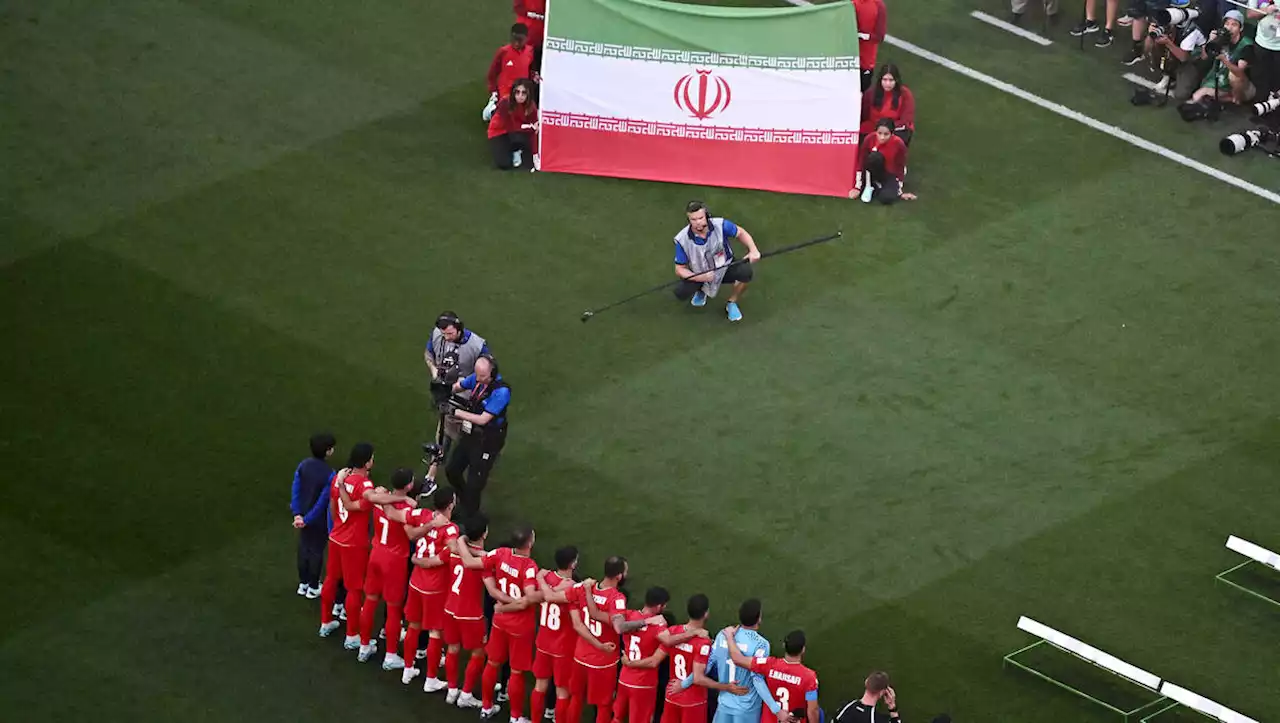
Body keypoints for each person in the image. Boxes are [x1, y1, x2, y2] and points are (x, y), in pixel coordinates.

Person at [318, 444, 412, 647]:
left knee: (331, 578)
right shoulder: (365, 485)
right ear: (367, 461)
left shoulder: (339, 478)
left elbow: (333, 506)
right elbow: (370, 499)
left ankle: (325, 621)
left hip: (336, 537)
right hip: (354, 543)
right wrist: (402, 497)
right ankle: (352, 635)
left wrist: (338, 527)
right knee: (354, 589)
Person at [468, 525, 542, 721]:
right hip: (520, 625)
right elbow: (527, 599)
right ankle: (515, 717)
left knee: (492, 663)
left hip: (500, 622)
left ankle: (486, 706)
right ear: (529, 542)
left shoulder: (500, 553)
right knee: (516, 672)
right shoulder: (529, 567)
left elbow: (475, 563)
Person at [357, 467, 423, 668]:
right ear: (409, 486)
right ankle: (391, 656)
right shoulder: (405, 508)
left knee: (370, 601)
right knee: (394, 609)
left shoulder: (380, 498)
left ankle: (364, 646)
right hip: (394, 561)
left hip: (376, 553)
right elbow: (411, 535)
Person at [402, 487, 460, 687]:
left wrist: (416, 559)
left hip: (416, 582)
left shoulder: (421, 514)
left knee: (413, 625)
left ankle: (408, 668)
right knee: (436, 632)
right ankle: (431, 678)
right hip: (435, 587)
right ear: (450, 505)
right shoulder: (451, 529)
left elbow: (408, 529)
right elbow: (446, 554)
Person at [565, 558, 634, 723]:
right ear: (618, 576)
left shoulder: (585, 586)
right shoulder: (617, 598)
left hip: (580, 656)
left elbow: (555, 595)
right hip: (604, 661)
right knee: (604, 705)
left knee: (575, 699)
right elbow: (619, 626)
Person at [662, 595, 747, 723]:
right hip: (693, 702)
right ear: (706, 614)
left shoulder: (674, 632)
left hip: (671, 695)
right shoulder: (703, 642)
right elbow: (698, 678)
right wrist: (725, 687)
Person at [672, 201, 762, 323]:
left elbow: (741, 232)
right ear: (689, 219)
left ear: (706, 216)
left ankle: (732, 302)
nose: (698, 222)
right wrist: (701, 277)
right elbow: (679, 269)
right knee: (681, 293)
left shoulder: (721, 225)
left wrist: (753, 250)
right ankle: (701, 290)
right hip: (700, 273)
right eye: (693, 219)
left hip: (725, 266)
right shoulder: (682, 239)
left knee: (745, 272)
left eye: (700, 218)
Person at [444, 355, 512, 517]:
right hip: (470, 434)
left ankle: (471, 519)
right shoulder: (478, 377)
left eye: (482, 376)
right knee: (452, 470)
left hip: (488, 439)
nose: (478, 379)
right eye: (477, 375)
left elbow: (483, 419)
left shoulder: (501, 391)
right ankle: (465, 500)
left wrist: (456, 412)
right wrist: (446, 389)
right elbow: (459, 386)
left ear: (493, 373)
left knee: (475, 484)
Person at [719, 628, 820, 723]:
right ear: (803, 650)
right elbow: (812, 711)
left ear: (784, 645)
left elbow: (738, 659)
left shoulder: (769, 664)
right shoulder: (809, 677)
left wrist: (729, 637)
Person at [444, 514, 494, 708]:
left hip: (450, 606)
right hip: (470, 612)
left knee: (453, 648)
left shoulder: (454, 551)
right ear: (484, 534)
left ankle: (452, 690)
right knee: (478, 652)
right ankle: (465, 695)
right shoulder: (484, 559)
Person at [707, 600, 781, 723]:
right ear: (759, 619)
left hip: (724, 705)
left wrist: (685, 682)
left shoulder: (723, 634)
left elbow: (706, 665)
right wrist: (776, 709)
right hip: (747, 709)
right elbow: (757, 679)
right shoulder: (761, 644)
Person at [532, 546, 581, 723]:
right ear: (573, 564)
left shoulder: (545, 578)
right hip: (563, 646)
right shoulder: (573, 588)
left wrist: (540, 577)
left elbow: (544, 595)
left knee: (539, 686)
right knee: (562, 692)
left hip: (543, 641)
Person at [291, 432, 335, 599]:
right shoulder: (330, 474)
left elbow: (295, 489)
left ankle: (303, 583)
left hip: (302, 515)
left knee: (304, 548)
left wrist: (298, 515)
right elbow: (323, 501)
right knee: (316, 551)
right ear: (328, 451)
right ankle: (314, 586)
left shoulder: (303, 465)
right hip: (318, 520)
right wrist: (307, 519)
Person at [1188, 11, 1257, 106]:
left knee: (1233, 76)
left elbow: (1239, 73)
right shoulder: (1221, 39)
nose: (1229, 28)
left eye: (1234, 25)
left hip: (1244, 88)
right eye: (1227, 24)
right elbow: (1204, 57)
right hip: (1221, 81)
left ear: (1240, 28)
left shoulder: (1246, 45)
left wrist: (1224, 60)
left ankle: (1236, 100)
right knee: (1197, 97)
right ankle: (1227, 99)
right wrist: (1210, 41)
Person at [855, 119, 916, 205]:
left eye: (886, 134)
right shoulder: (869, 139)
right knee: (875, 157)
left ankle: (877, 187)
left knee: (886, 198)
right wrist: (857, 187)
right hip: (870, 173)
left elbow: (900, 167)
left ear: (892, 133)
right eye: (879, 133)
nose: (882, 137)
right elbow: (861, 161)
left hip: (888, 174)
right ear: (875, 131)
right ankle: (869, 186)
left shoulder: (899, 144)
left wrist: (899, 192)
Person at [1148, 14, 1209, 100]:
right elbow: (1147, 48)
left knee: (1181, 94)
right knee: (1155, 48)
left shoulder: (1190, 31)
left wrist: (1168, 43)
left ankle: (1196, 80)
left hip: (1192, 62)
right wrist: (1151, 35)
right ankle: (1168, 74)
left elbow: (1184, 57)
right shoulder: (1163, 24)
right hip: (1176, 56)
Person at [485, 24, 538, 121]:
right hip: (506, 92)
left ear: (526, 38)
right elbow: (492, 73)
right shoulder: (503, 52)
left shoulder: (530, 51)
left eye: (520, 40)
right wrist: (493, 92)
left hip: (522, 92)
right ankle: (492, 108)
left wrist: (534, 75)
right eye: (514, 39)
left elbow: (530, 69)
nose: (516, 43)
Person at [488, 78, 539, 171]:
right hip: (499, 131)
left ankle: (516, 149)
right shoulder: (506, 103)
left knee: (524, 136)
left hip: (516, 130)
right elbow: (512, 127)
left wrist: (535, 156)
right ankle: (492, 108)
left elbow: (535, 130)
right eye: (517, 92)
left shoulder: (531, 107)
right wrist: (531, 127)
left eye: (524, 93)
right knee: (504, 164)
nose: (520, 96)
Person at [860, 64, 915, 145]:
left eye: (891, 80)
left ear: (896, 80)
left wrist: (886, 130)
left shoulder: (905, 94)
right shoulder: (870, 93)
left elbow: (905, 119)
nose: (887, 84)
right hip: (874, 127)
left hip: (895, 129)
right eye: (885, 80)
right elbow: (864, 115)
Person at [831, 672, 901, 723]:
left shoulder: (844, 709)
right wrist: (892, 708)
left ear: (866, 682)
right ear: (882, 692)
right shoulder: (878, 720)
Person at [1247, 0, 1280, 100]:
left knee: (1277, 83)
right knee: (1261, 80)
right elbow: (1250, 14)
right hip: (1262, 44)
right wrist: (1266, 10)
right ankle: (1261, 107)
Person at [852, 0, 888, 92]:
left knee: (861, 93)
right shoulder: (852, 2)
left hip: (865, 62)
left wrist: (862, 36)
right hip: (850, 57)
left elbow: (879, 36)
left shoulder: (878, 5)